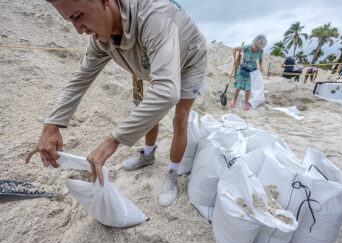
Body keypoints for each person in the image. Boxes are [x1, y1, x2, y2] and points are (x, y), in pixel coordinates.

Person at [25, 0, 207, 207]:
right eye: (69, 21)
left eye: (78, 16)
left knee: (180, 119)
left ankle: (173, 172)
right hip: (153, 59)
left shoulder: (155, 16)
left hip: (190, 60)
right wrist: (52, 124)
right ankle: (148, 156)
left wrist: (112, 141)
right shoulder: (101, 38)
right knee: (147, 106)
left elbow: (167, 91)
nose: (78, 30)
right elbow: (80, 79)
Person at [229, 34, 267, 111]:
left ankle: (246, 104)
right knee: (238, 87)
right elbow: (235, 49)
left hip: (251, 72)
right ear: (254, 43)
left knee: (248, 89)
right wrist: (235, 60)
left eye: (259, 47)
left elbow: (260, 59)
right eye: (256, 46)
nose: (257, 49)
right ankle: (234, 102)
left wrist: (261, 66)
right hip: (242, 69)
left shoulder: (260, 51)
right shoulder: (247, 47)